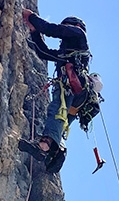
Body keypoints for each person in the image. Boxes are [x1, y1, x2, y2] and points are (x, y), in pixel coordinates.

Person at [18, 9, 91, 172]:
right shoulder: (67, 54)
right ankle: (58, 153)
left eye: (66, 28)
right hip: (77, 95)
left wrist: (31, 17)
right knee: (60, 120)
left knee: (56, 111)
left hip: (72, 87)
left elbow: (53, 30)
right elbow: (43, 52)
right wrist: (34, 31)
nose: (62, 39)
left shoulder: (78, 34)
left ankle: (43, 147)